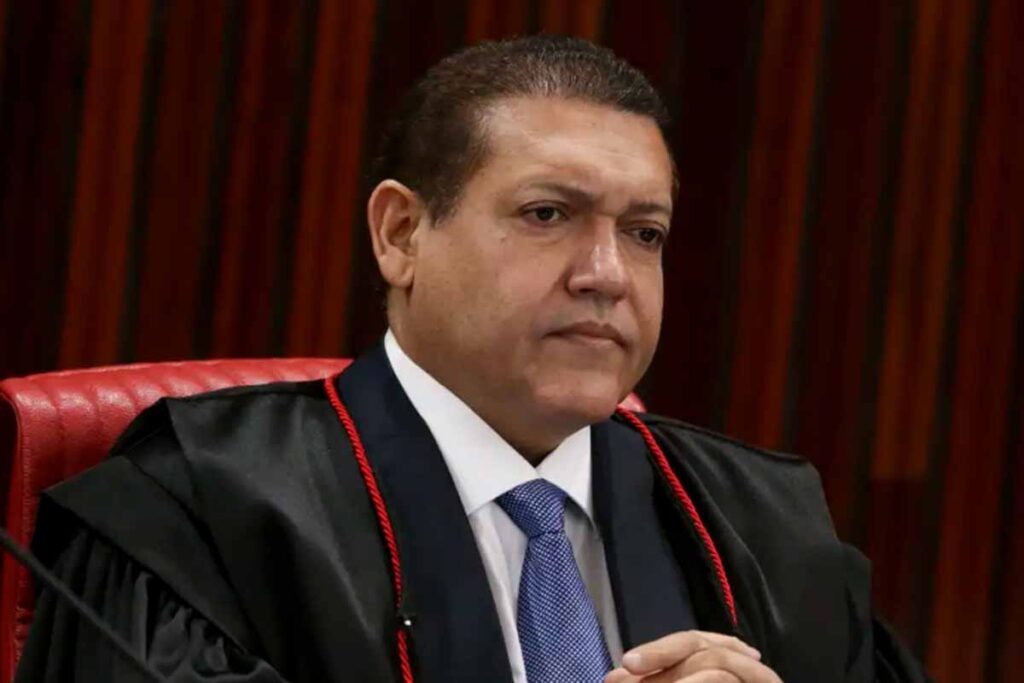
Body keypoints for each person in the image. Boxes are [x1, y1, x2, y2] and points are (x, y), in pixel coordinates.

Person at [17, 35, 930, 682]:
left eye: (644, 232)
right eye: (548, 214)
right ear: (401, 234)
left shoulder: (770, 529)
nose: (607, 273)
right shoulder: (195, 511)